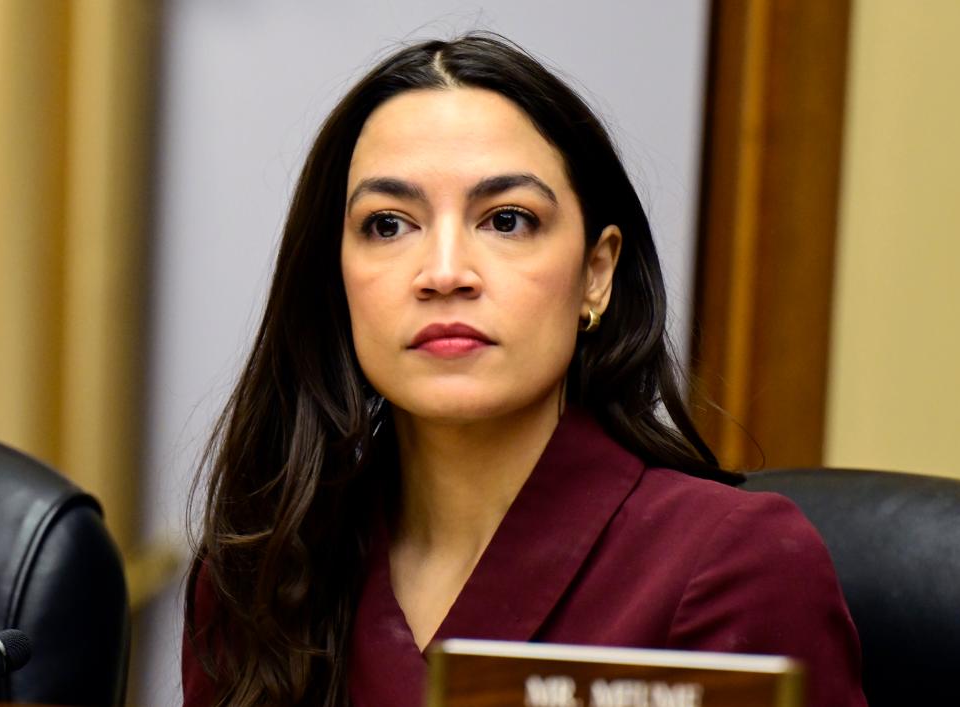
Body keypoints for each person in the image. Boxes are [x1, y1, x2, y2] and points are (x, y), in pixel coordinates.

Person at [181, 33, 866, 707]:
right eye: (389, 225)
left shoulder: (734, 564)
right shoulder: (262, 567)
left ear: (597, 274)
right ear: (336, 279)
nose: (444, 273)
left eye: (507, 220)